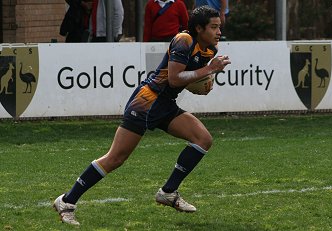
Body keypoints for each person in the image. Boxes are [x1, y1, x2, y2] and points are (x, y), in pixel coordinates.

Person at [53, 5, 231, 226]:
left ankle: (168, 192)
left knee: (203, 139)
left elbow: (189, 78)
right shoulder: (183, 40)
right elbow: (175, 78)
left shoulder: (210, 51)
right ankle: (67, 202)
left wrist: (204, 83)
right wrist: (208, 71)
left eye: (219, 27)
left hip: (165, 103)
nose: (218, 32)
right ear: (198, 28)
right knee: (116, 158)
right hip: (147, 101)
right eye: (213, 27)